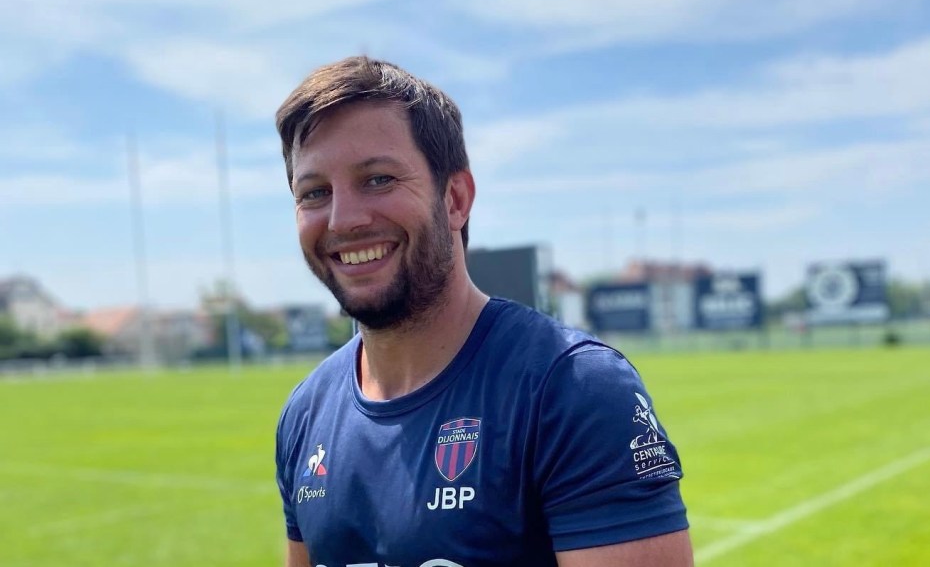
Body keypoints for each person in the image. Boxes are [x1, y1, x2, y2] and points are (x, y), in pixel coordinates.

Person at [274, 56, 694, 567]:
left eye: (378, 179)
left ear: (455, 198)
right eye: (315, 193)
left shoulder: (572, 388)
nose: (343, 219)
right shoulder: (305, 414)